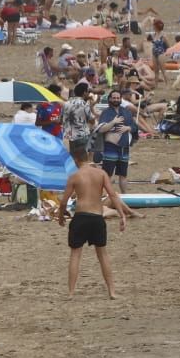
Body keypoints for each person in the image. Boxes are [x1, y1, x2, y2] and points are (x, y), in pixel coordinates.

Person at [57, 144, 134, 297]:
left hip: (80, 216)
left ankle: (71, 292)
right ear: (87, 157)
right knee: (103, 255)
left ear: (75, 160)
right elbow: (112, 195)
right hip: (97, 217)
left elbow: (64, 201)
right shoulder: (101, 173)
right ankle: (112, 291)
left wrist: (61, 215)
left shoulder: (75, 176)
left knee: (75, 254)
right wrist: (122, 215)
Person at [95, 89, 138, 178]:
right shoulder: (106, 112)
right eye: (114, 98)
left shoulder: (126, 112)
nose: (116, 100)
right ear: (110, 99)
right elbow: (101, 129)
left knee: (123, 175)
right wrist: (113, 122)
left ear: (121, 99)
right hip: (110, 147)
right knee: (107, 175)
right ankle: (104, 192)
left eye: (118, 98)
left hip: (124, 147)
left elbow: (135, 127)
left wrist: (128, 128)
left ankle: (124, 193)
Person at [62, 83, 94, 160]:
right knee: (83, 159)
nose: (88, 94)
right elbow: (92, 120)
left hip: (71, 136)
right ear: (84, 92)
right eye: (88, 92)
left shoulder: (66, 103)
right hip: (82, 135)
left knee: (74, 158)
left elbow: (62, 118)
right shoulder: (84, 104)